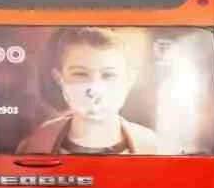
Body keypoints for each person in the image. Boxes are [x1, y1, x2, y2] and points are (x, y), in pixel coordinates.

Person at [16, 27, 158, 155]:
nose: (94, 89)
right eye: (80, 74)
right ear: (59, 78)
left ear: (129, 80)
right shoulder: (34, 146)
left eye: (108, 75)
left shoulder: (155, 148)